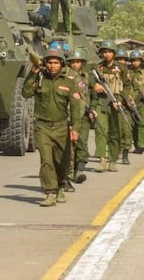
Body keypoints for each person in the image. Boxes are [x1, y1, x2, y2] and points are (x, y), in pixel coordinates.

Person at [22, 49, 81, 207]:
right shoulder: (40, 79)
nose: (53, 65)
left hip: (62, 127)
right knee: (46, 160)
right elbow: (26, 92)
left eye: (56, 63)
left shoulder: (69, 82)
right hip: (42, 126)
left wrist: (75, 128)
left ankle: (61, 184)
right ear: (45, 64)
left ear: (61, 64)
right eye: (50, 62)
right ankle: (50, 192)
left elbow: (76, 108)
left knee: (62, 161)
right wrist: (33, 73)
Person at [91, 41, 132, 172]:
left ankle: (112, 160)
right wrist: (94, 86)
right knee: (101, 130)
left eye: (109, 51)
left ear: (114, 53)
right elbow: (89, 80)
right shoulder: (98, 68)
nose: (106, 54)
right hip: (101, 103)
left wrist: (119, 100)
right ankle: (102, 159)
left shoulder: (122, 68)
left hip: (116, 102)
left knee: (115, 132)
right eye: (104, 52)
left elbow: (127, 86)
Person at [65, 49, 91, 185]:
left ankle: (79, 171)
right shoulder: (67, 75)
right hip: (72, 114)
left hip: (84, 114)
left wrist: (90, 109)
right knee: (71, 146)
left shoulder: (85, 76)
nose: (75, 65)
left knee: (82, 143)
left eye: (78, 62)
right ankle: (69, 174)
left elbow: (85, 94)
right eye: (73, 62)